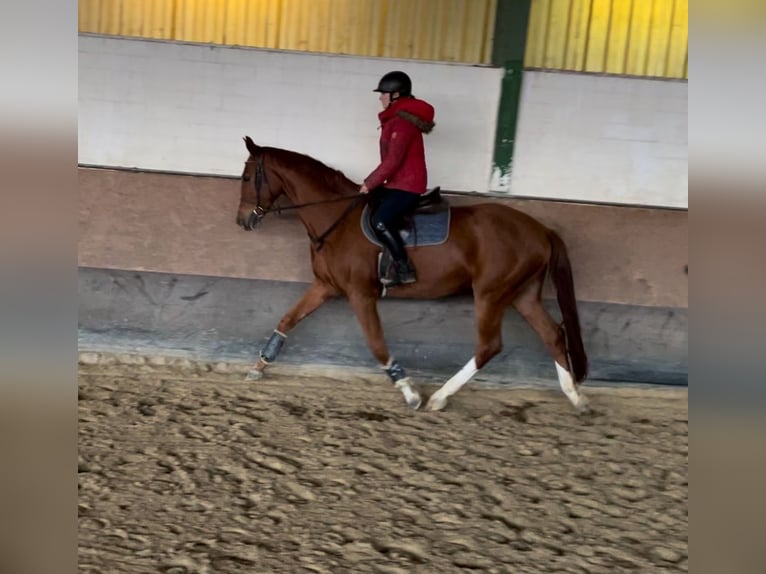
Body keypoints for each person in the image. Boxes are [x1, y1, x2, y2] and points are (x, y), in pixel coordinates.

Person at [360, 70, 435, 286]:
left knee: (380, 220)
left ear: (395, 95)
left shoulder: (402, 123)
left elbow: (392, 161)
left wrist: (369, 183)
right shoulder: (394, 119)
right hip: (396, 183)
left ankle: (404, 267)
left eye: (383, 93)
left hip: (408, 186)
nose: (380, 97)